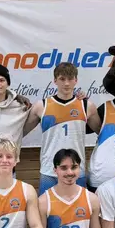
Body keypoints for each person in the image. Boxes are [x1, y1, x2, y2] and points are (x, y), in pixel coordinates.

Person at [22, 62, 95, 195]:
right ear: (55, 80)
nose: (66, 83)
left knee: (78, 208)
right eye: (62, 79)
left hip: (76, 171)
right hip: (49, 171)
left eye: (70, 79)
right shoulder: (41, 106)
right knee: (47, 207)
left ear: (76, 80)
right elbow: (20, 132)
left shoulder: (86, 105)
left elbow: (102, 131)